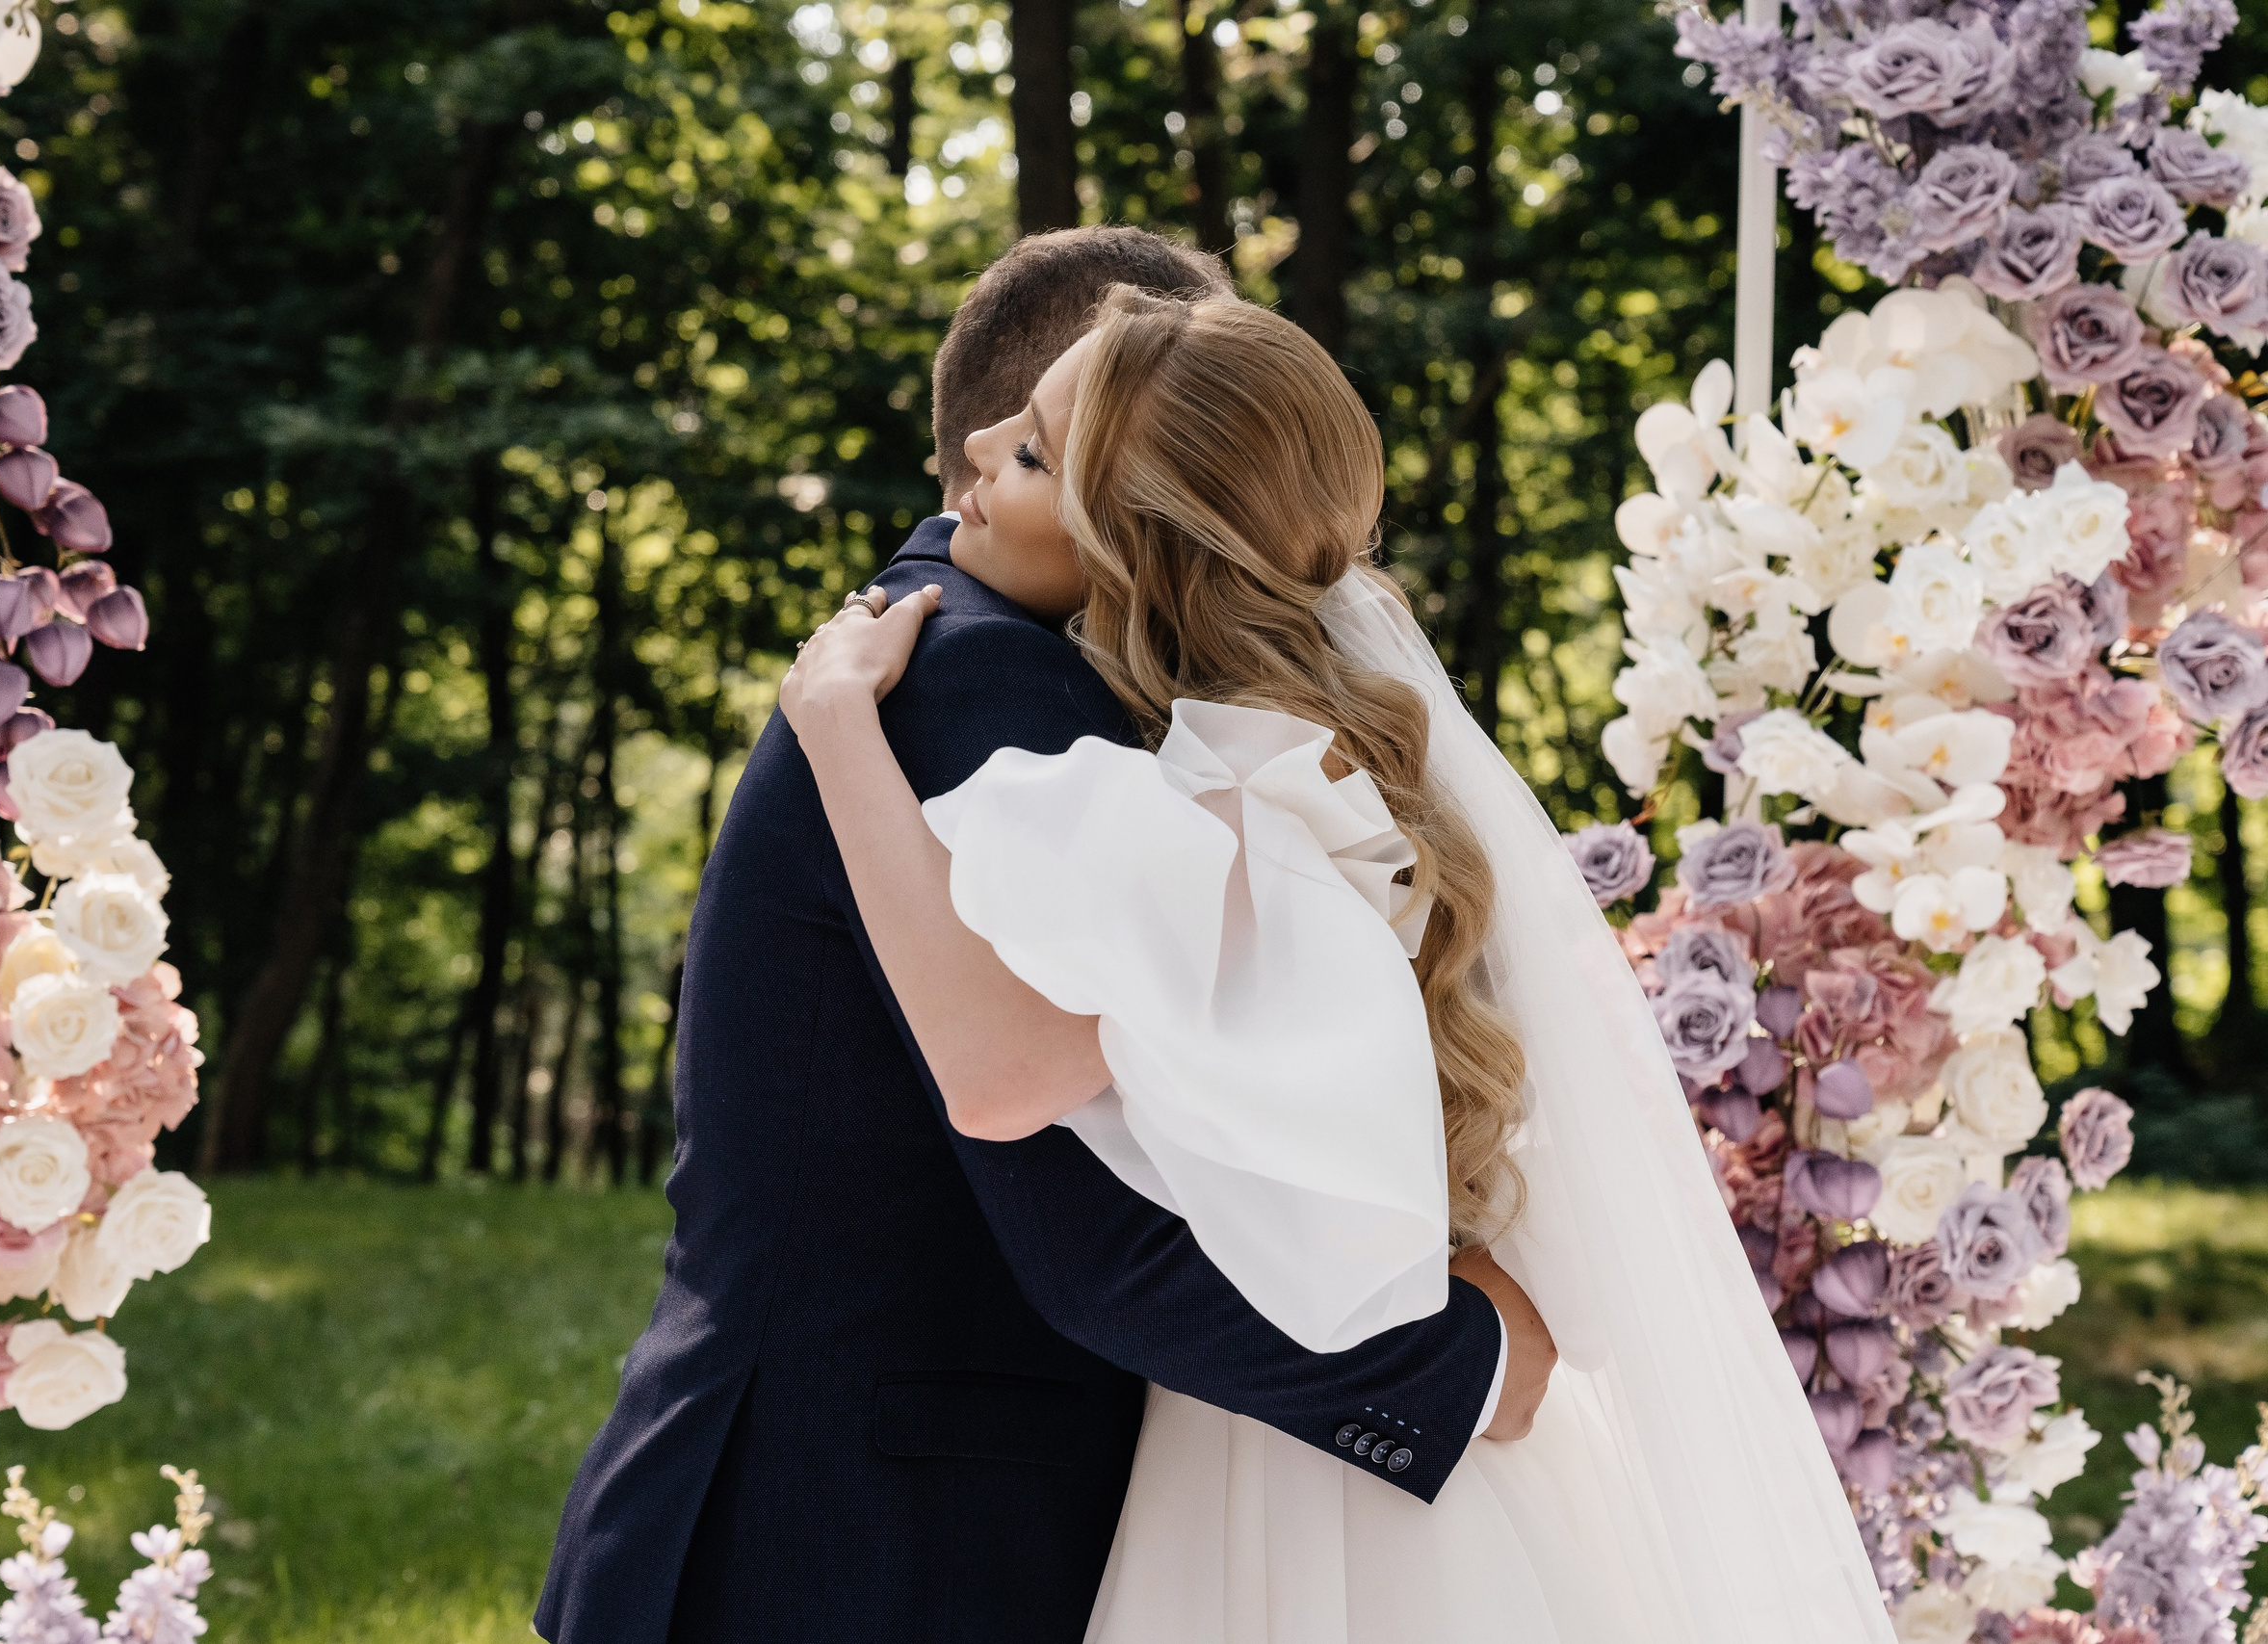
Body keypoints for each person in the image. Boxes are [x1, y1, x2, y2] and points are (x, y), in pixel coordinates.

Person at [778, 285, 1896, 1640]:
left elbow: (1004, 1074)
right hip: (1315, 1422)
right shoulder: (1317, 772)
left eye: (1025, 452)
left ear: (1134, 547)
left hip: (1303, 1461)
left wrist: (837, 724)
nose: (969, 457)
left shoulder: (1227, 807)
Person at [534, 228, 1549, 1644]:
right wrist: (1456, 1369)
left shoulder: (984, 667)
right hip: (857, 1549)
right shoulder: (977, 687)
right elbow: (1087, 1230)